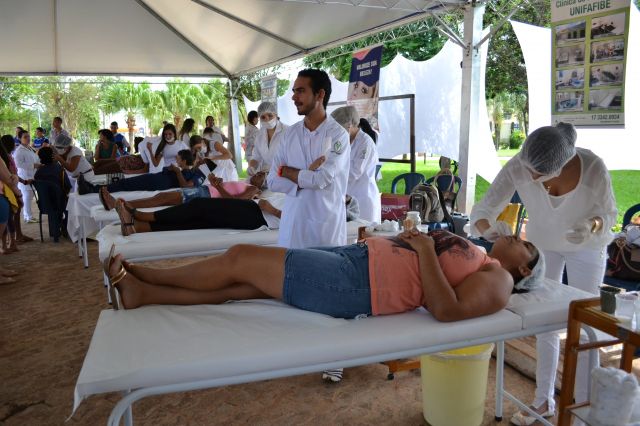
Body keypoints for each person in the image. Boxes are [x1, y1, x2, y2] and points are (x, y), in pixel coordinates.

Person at [103, 230, 544, 333]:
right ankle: (145, 294)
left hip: (357, 284)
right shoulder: (485, 256)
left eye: (526, 246)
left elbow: (448, 310)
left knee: (240, 258)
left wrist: (426, 250)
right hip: (357, 261)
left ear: (524, 269)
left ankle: (150, 275)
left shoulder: (499, 280)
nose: (517, 237)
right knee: (244, 286)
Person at [469, 122, 616, 425]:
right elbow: (483, 210)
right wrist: (489, 230)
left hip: (585, 246)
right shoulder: (521, 163)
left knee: (585, 324)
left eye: (539, 174)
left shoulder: (592, 167)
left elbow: (608, 214)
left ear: (563, 163)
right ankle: (543, 400)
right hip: (541, 245)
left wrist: (591, 226)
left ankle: (584, 407)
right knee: (545, 323)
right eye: (530, 171)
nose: (532, 177)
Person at [267, 68, 351, 249]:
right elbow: (272, 180)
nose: (294, 97)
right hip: (292, 225)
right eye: (294, 91)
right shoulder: (289, 135)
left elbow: (322, 179)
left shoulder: (338, 135)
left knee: (323, 267)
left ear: (320, 94)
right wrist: (306, 175)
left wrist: (287, 172)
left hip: (324, 227)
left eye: (301, 91)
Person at [78, 149, 205, 197]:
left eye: (178, 159)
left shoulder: (194, 174)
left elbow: (186, 186)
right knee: (124, 182)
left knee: (124, 184)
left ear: (184, 161)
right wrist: (174, 170)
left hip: (156, 184)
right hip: (154, 179)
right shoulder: (183, 169)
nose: (176, 160)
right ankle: (93, 187)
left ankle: (92, 190)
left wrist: (177, 172)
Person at [331, 106, 380, 223]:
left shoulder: (365, 142)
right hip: (347, 196)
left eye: (338, 129)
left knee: (363, 231)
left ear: (349, 126)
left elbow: (355, 173)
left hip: (363, 198)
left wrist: (329, 173)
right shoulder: (344, 141)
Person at [1, 135, 31, 249]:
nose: (15, 144)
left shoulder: (8, 156)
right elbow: (10, 176)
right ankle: (12, 241)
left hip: (11, 187)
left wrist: (23, 181)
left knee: (13, 215)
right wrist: (18, 192)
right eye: (13, 142)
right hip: (9, 189)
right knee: (10, 216)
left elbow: (14, 175)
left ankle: (16, 237)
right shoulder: (5, 158)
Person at [247, 102, 288, 181]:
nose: (267, 119)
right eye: (263, 117)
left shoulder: (287, 131)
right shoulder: (260, 134)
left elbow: (294, 159)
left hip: (285, 177)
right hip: (266, 176)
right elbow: (256, 156)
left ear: (275, 114)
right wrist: (251, 167)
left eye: (270, 115)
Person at [14, 130, 40, 223]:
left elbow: (35, 158)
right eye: (25, 137)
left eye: (28, 136)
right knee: (27, 197)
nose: (28, 138)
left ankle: (28, 216)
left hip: (32, 175)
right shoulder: (19, 151)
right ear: (20, 138)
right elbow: (18, 164)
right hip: (25, 177)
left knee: (29, 196)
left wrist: (38, 164)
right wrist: (33, 165)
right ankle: (28, 217)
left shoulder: (30, 148)